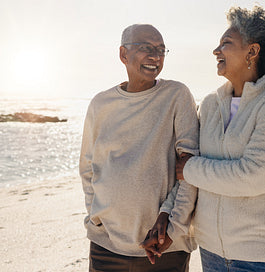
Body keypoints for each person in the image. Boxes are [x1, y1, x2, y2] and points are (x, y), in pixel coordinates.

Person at [175, 6, 265, 272]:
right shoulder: (210, 104)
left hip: (259, 257)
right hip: (210, 251)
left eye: (226, 43)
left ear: (252, 52)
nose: (216, 50)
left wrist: (189, 169)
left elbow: (253, 177)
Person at [79, 24, 199, 272]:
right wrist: (96, 216)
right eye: (146, 48)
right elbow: (88, 167)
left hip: (164, 247)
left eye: (161, 50)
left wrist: (173, 228)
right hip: (106, 246)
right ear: (124, 54)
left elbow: (191, 170)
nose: (155, 56)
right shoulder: (100, 104)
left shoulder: (177, 95)